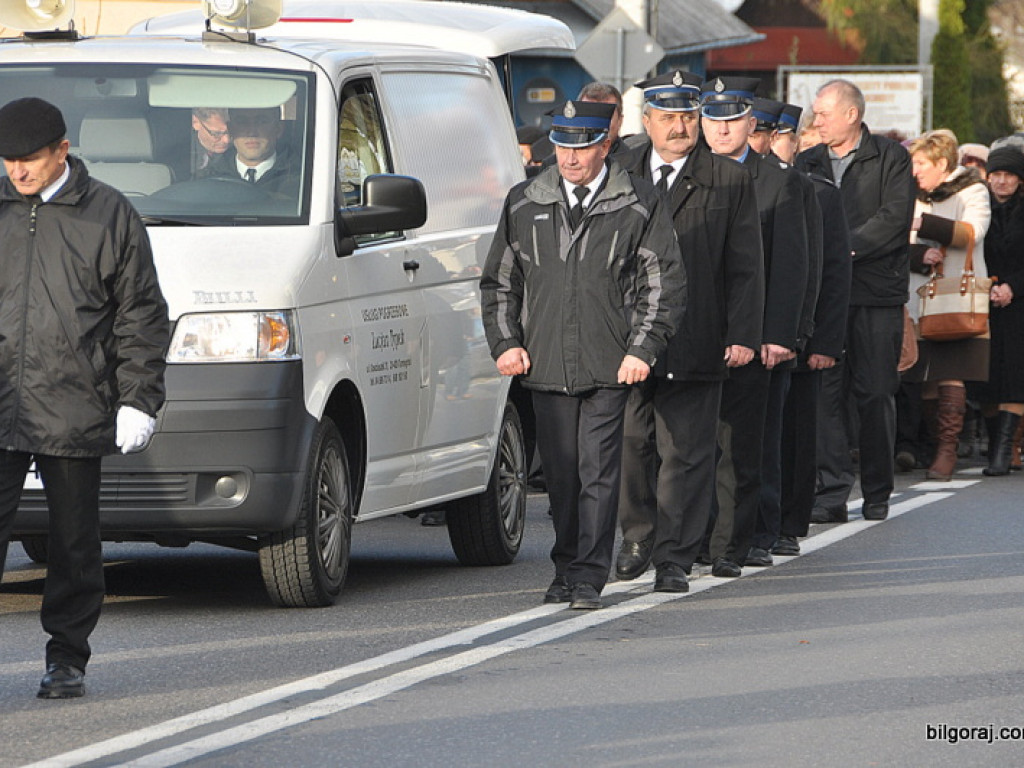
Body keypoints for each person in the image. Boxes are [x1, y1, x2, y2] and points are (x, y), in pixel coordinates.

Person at [480, 100, 684, 609]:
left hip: (608, 363)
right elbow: (501, 282)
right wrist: (506, 343)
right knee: (562, 476)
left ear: (605, 146)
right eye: (563, 146)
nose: (570, 158)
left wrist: (642, 349)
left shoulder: (638, 201)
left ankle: (588, 576)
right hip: (546, 363)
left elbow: (663, 282)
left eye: (582, 147)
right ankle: (566, 565)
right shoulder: (524, 201)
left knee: (598, 472)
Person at [0, 97, 170, 698]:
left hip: (73, 399)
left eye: (31, 160)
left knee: (73, 542)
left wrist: (140, 398)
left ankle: (67, 657)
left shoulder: (108, 215)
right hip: (0, 402)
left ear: (63, 152)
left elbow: (142, 314)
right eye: (9, 161)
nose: (18, 172)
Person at [614, 70, 764, 592]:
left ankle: (674, 556)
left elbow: (746, 265)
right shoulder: (620, 171)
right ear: (647, 120)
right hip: (631, 338)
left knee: (687, 452)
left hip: (700, 332)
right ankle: (638, 535)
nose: (680, 127)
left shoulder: (728, 178)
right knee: (633, 442)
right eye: (669, 117)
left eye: (688, 116)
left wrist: (743, 333)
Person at [698, 76, 808, 576]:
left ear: (750, 122)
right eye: (713, 119)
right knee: (693, 443)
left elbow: (791, 263)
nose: (721, 130)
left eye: (731, 119)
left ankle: (747, 538)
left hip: (756, 330)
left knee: (749, 444)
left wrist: (779, 333)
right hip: (696, 331)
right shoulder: (685, 174)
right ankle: (697, 536)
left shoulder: (779, 181)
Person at [796, 79, 915, 522]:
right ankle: (831, 494)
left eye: (824, 113)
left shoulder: (891, 158)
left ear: (852, 114)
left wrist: (843, 248)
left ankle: (878, 491)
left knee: (875, 393)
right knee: (826, 393)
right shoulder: (807, 161)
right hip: (827, 297)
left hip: (875, 294)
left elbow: (894, 218)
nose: (816, 120)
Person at [771, 102, 853, 555]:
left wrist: (825, 341)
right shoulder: (749, 184)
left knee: (799, 432)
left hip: (806, 334)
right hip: (759, 335)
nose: (775, 143)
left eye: (783, 135)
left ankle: (790, 520)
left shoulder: (819, 192)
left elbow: (835, 273)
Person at [906, 131, 991, 481]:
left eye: (921, 164)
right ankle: (928, 446)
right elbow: (898, 239)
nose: (915, 171)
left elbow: (974, 231)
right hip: (919, 293)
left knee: (951, 372)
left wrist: (925, 224)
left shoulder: (973, 190)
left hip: (957, 296)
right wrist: (918, 253)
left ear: (942, 164)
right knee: (924, 376)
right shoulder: (913, 193)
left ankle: (947, 449)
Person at [970, 146, 1024, 474]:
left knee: (1016, 375)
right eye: (996, 175)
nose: (1001, 182)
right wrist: (989, 285)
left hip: (1019, 305)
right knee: (986, 376)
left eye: (1009, 176)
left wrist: (1013, 287)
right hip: (982, 300)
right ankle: (994, 444)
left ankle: (1004, 450)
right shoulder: (979, 209)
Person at [217, 106, 299, 196]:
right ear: (230, 129)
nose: (252, 133)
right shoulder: (211, 177)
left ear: (278, 128)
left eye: (262, 122)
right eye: (242, 122)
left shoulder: (302, 179)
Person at [191, 107, 231, 178]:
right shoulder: (182, 155)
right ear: (196, 122)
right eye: (217, 133)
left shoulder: (240, 153)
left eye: (231, 132)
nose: (227, 140)